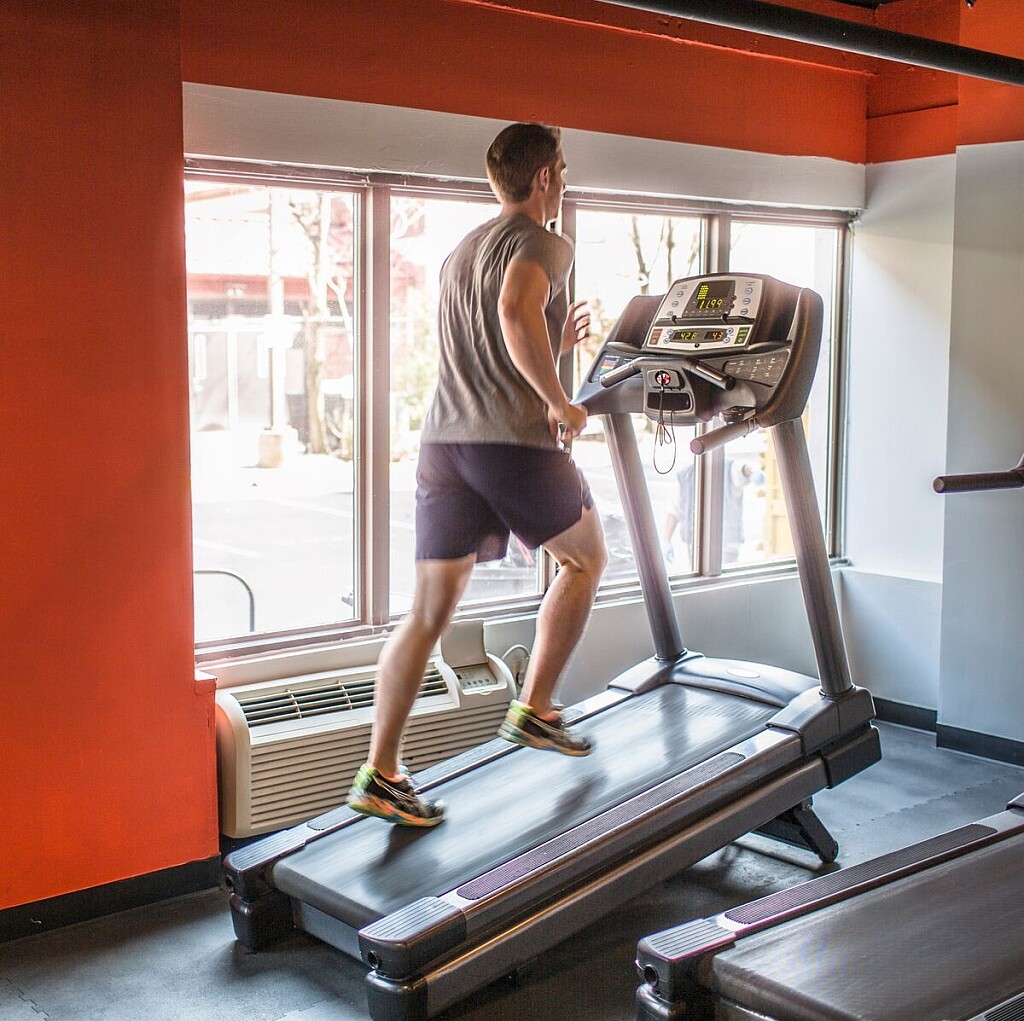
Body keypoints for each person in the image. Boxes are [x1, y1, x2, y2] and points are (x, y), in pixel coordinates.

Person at [346, 123, 608, 827]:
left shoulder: (461, 251)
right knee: (585, 559)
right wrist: (560, 402)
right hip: (508, 442)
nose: (563, 179)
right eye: (561, 168)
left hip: (444, 443)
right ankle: (537, 708)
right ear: (545, 177)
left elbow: (494, 338)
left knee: (427, 612)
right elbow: (514, 311)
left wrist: (557, 341)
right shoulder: (545, 241)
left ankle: (381, 773)